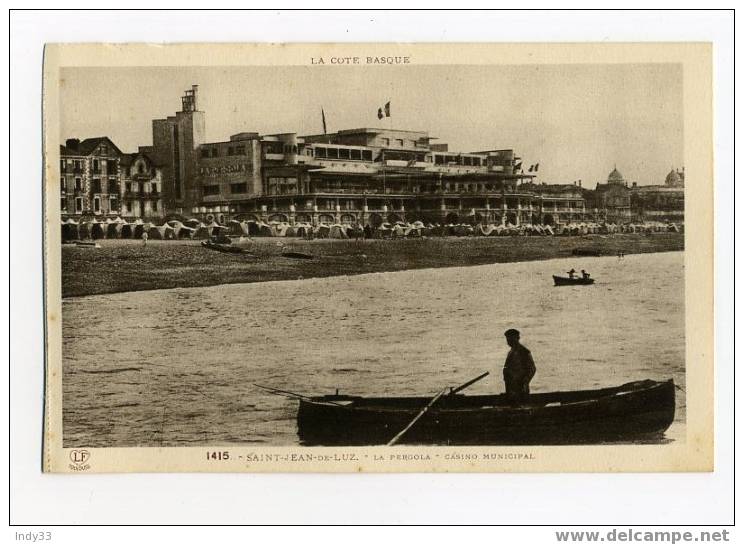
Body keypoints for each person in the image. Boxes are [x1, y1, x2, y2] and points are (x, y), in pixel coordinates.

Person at [502, 329, 536, 404]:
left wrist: (525, 382)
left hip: (520, 387)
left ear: (516, 338)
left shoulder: (524, 352)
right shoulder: (511, 352)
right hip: (511, 387)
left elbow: (532, 369)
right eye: (507, 339)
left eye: (510, 339)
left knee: (521, 406)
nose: (508, 341)